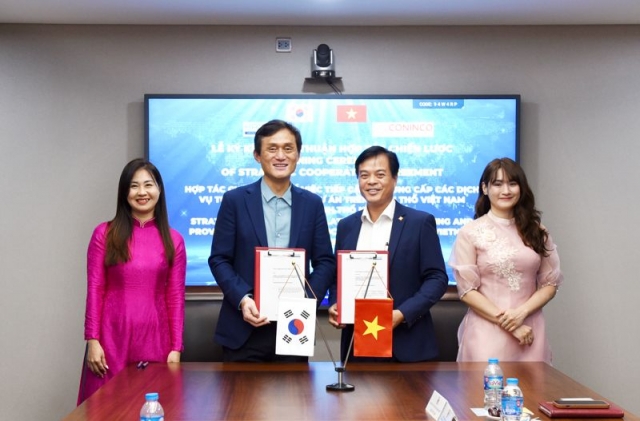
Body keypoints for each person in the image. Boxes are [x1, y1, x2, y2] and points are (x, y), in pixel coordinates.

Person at [208, 119, 335, 362]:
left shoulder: (312, 204)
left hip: (295, 328)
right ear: (257, 155)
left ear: (298, 155)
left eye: (288, 148)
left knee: (295, 400)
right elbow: (220, 259)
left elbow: (325, 262)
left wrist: (306, 301)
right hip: (243, 330)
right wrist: (243, 299)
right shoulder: (234, 201)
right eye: (272, 148)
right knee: (241, 401)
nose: (280, 156)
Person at [77, 159, 186, 404]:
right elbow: (95, 288)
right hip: (110, 339)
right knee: (105, 410)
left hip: (156, 340)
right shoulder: (104, 234)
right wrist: (92, 340)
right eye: (134, 186)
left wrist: (176, 348)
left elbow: (176, 297)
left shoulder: (174, 239)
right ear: (124, 192)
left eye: (148, 185)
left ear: (159, 190)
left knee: (150, 410)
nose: (142, 192)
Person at [328, 146, 449, 362]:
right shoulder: (346, 225)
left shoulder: (419, 222)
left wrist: (401, 314)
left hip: (406, 344)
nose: (371, 181)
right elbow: (338, 276)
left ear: (395, 178)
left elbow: (437, 278)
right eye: (364, 175)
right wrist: (337, 303)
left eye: (380, 174)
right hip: (357, 345)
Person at [449, 157, 563, 363]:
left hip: (530, 330)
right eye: (497, 184)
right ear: (485, 188)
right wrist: (512, 324)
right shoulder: (470, 232)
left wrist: (522, 313)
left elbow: (550, 284)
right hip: (487, 330)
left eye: (512, 183)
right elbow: (467, 292)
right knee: (483, 392)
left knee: (534, 393)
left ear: (521, 188)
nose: (506, 190)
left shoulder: (537, 231)